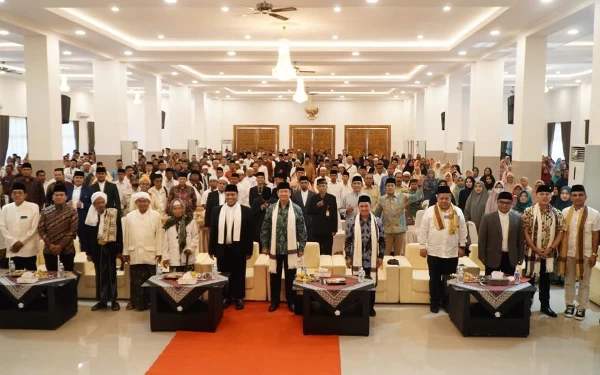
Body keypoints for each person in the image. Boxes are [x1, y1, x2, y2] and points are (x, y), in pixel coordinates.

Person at [418, 185, 468, 313]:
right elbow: (423, 230)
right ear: (437, 198)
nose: (444, 201)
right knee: (434, 279)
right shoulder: (429, 211)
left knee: (449, 279)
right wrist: (422, 246)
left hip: (451, 252)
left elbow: (463, 230)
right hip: (434, 251)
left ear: (450, 198)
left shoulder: (458, 211)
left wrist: (462, 246)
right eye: (442, 198)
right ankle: (434, 302)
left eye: (447, 198)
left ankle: (447, 302)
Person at [261, 182, 308, 313]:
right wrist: (264, 245)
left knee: (290, 278)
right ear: (277, 194)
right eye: (281, 191)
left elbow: (302, 230)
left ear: (290, 193)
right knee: (274, 277)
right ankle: (274, 302)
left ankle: (291, 301)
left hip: (290, 250)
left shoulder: (297, 209)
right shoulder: (271, 209)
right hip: (275, 249)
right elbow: (265, 228)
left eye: (286, 191)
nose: (283, 194)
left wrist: (302, 247)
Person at [557, 185, 599, 321]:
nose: (577, 197)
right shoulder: (564, 212)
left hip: (586, 254)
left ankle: (581, 307)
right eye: (574, 195)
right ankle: (569, 305)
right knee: (569, 281)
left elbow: (595, 236)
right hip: (568, 253)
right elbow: (561, 233)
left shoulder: (594, 214)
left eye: (580, 195)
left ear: (585, 197)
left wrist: (594, 254)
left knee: (584, 282)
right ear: (570, 197)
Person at [522, 184, 564, 317]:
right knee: (529, 280)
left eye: (547, 194)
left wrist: (550, 248)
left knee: (545, 281)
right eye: (542, 194)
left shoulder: (557, 213)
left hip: (549, 254)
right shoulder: (529, 211)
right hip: (532, 253)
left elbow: (560, 233)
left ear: (551, 196)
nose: (545, 196)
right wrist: (535, 249)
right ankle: (526, 306)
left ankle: (545, 306)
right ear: (536, 196)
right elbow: (526, 232)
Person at [209, 185, 253, 310]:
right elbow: (213, 231)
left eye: (232, 194)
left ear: (237, 195)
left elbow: (249, 233)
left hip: (239, 248)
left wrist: (249, 251)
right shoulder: (216, 210)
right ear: (225, 196)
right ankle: (226, 297)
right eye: (228, 195)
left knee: (239, 273)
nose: (230, 197)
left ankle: (239, 297)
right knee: (224, 274)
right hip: (222, 248)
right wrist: (211, 249)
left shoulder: (246, 211)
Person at [344, 195, 385, 317]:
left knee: (370, 283)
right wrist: (347, 256)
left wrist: (381, 256)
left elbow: (382, 239)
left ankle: (370, 307)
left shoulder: (377, 221)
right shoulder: (352, 222)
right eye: (361, 206)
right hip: (358, 259)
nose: (364, 208)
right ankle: (358, 306)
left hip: (372, 259)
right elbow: (347, 241)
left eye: (366, 206)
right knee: (357, 283)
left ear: (370, 207)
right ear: (358, 207)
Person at [123, 192, 163, 311]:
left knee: (151, 279)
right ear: (136, 203)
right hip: (134, 252)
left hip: (151, 252)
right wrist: (125, 252)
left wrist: (159, 252)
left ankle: (152, 303)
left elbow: (159, 235)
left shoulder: (156, 216)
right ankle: (137, 303)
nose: (142, 203)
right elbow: (126, 235)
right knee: (136, 280)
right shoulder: (130, 216)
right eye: (140, 201)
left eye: (145, 201)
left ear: (149, 202)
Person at [83, 192, 123, 311]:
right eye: (97, 203)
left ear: (105, 202)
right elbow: (87, 236)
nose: (100, 205)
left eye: (102, 202)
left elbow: (119, 233)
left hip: (110, 248)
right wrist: (88, 253)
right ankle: (102, 300)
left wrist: (119, 250)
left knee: (111, 273)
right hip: (96, 249)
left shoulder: (113, 214)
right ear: (94, 204)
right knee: (99, 274)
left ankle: (114, 300)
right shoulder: (90, 216)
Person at [478, 192, 525, 275]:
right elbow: (482, 238)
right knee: (491, 284)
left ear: (511, 204)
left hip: (510, 257)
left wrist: (521, 256)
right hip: (492, 256)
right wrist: (481, 255)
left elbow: (520, 239)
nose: (504, 205)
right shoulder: (487, 218)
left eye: (507, 203)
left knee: (508, 285)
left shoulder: (517, 218)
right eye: (502, 202)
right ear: (497, 202)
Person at [374, 179, 423, 256]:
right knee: (385, 254)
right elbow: (377, 216)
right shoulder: (381, 199)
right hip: (387, 231)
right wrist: (379, 229)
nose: (390, 187)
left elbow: (417, 197)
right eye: (388, 186)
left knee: (398, 255)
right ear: (385, 187)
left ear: (395, 187)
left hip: (400, 230)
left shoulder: (402, 196)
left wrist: (420, 187)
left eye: (392, 185)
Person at [38, 184, 79, 271]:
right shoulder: (45, 211)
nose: (59, 197)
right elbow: (41, 230)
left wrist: (60, 246)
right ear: (53, 197)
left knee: (67, 278)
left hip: (67, 250)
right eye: (56, 195)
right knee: (51, 279)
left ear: (66, 197)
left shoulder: (72, 211)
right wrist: (50, 245)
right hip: (49, 250)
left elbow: (73, 231)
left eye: (61, 195)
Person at [0, 183, 40, 270]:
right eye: (14, 193)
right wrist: (13, 242)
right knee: (14, 277)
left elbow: (33, 229)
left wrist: (21, 242)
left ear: (25, 195)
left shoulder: (34, 207)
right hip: (12, 248)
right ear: (11, 195)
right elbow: (2, 227)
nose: (17, 195)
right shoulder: (5, 208)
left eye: (20, 192)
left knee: (31, 276)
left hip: (28, 248)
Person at [162, 199, 199, 272]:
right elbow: (165, 242)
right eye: (175, 209)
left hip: (187, 257)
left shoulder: (190, 221)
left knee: (188, 280)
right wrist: (165, 257)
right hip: (173, 258)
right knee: (174, 282)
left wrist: (190, 248)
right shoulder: (168, 223)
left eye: (179, 208)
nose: (177, 211)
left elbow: (195, 237)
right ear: (172, 210)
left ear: (183, 209)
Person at [307, 178, 338, 255]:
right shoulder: (313, 198)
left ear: (326, 187)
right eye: (319, 186)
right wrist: (317, 206)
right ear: (317, 188)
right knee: (317, 252)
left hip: (328, 229)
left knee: (328, 250)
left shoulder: (332, 198)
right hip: (316, 229)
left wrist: (334, 228)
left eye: (323, 186)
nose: (321, 188)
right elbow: (309, 212)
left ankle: (327, 265)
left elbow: (334, 214)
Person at [66, 170, 92, 242]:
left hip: (83, 217)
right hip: (69, 217)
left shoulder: (89, 190)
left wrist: (83, 205)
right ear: (73, 179)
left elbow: (92, 205)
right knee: (69, 238)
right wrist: (67, 204)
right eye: (77, 177)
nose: (78, 179)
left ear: (83, 180)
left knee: (82, 238)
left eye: (80, 178)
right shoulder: (67, 189)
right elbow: (62, 201)